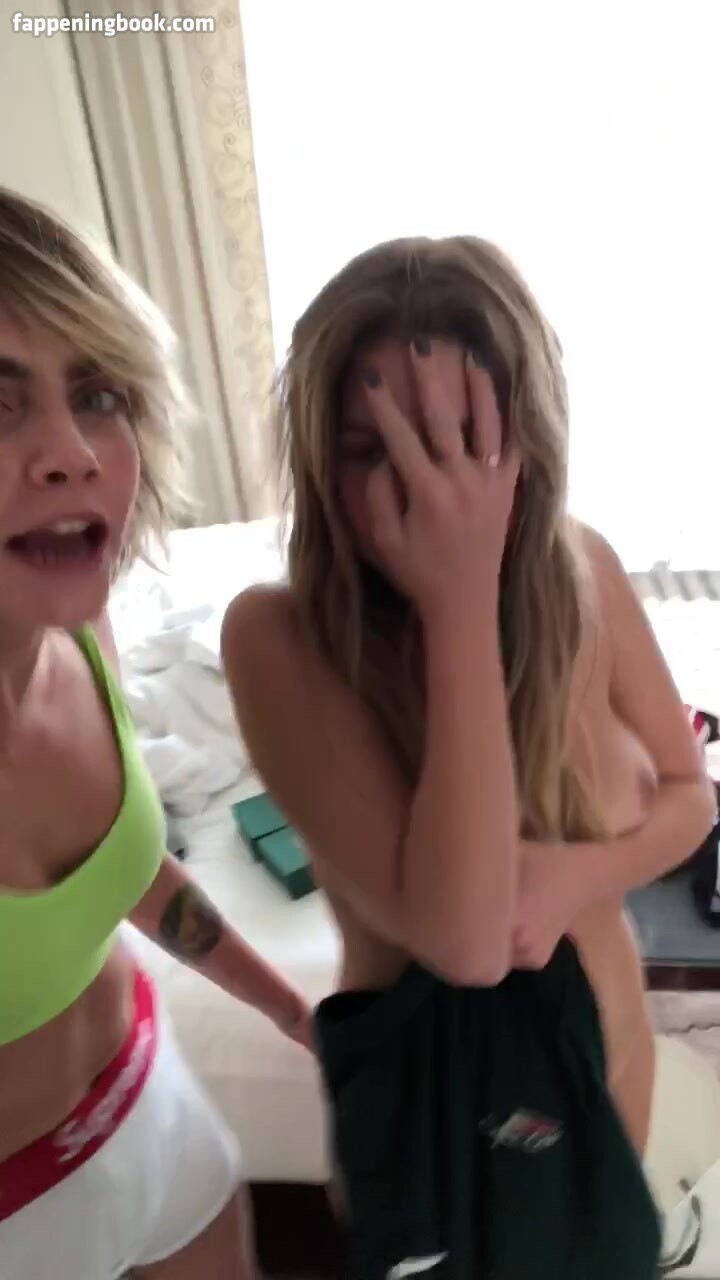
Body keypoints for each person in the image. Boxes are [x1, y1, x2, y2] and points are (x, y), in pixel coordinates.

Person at [221, 236, 717, 1279]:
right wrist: (459, 599)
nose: (425, 490)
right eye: (373, 451)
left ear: (526, 439)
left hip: (602, 1082)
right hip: (434, 1120)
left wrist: (576, 873)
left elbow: (689, 794)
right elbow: (467, 942)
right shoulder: (279, 635)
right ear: (318, 461)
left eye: (461, 444)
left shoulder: (581, 568)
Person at [0, 186, 313, 1280]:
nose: (71, 453)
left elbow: (127, 870)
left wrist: (289, 1007)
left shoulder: (82, 632)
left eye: (98, 395)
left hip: (152, 1098)